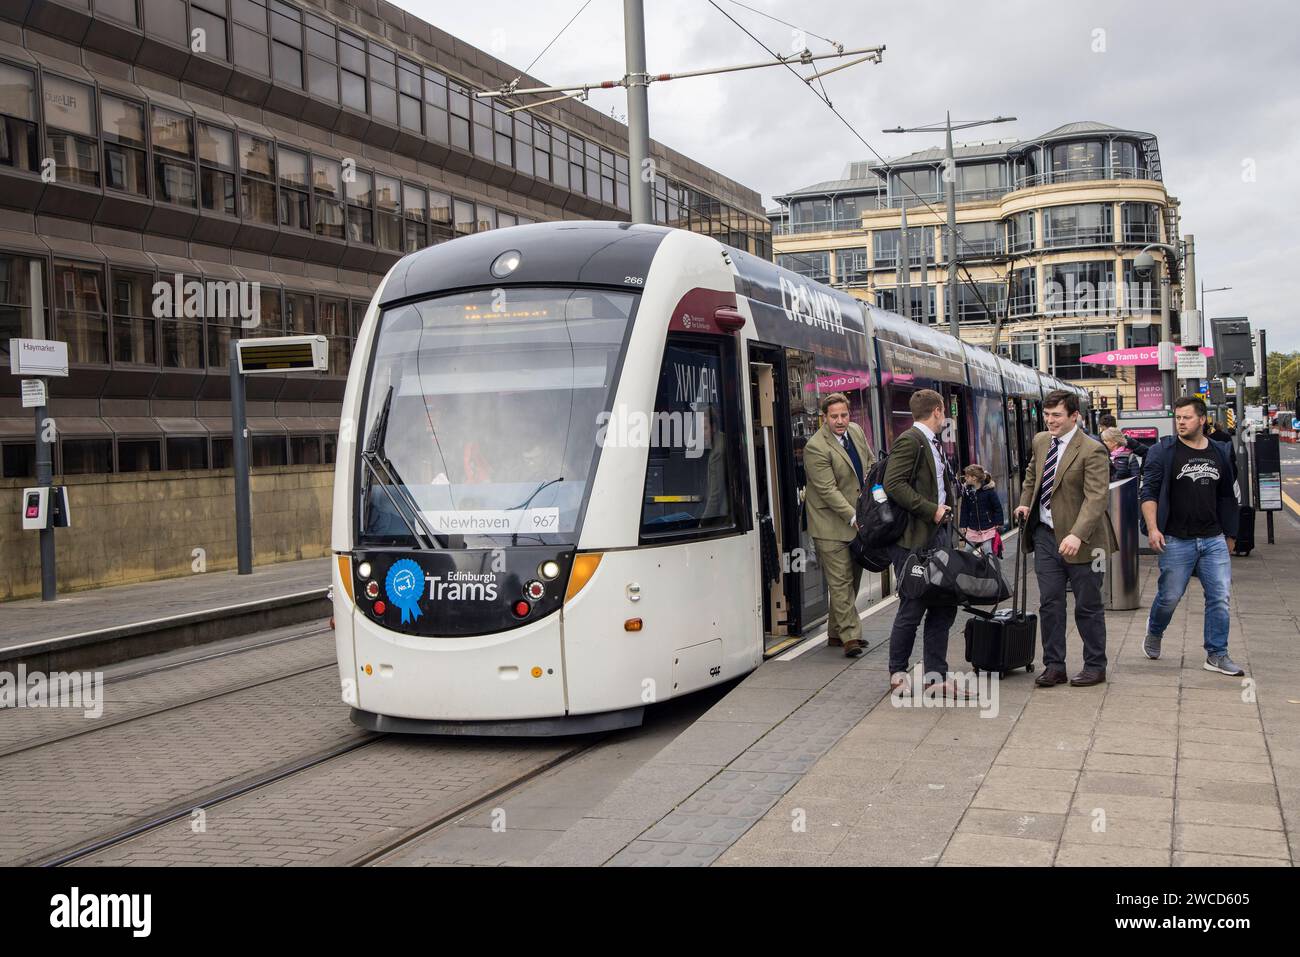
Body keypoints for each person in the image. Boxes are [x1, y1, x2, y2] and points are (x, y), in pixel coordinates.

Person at [1014, 389, 1115, 687]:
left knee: (1088, 605)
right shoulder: (1041, 441)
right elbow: (1032, 474)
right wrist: (1025, 501)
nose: (1050, 421)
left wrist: (1076, 535)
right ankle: (1054, 665)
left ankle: (1095, 666)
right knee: (1050, 602)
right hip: (1045, 536)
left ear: (1075, 416)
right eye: (1047, 415)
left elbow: (1096, 499)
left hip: (1084, 543)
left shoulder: (1093, 449)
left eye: (1056, 415)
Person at [1140, 397, 1245, 676]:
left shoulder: (1219, 452)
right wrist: (1153, 528)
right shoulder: (1163, 452)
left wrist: (1231, 534)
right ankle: (1155, 630)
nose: (1181, 422)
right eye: (1178, 417)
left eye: (1187, 417)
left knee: (1219, 597)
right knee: (1170, 597)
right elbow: (1148, 492)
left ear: (1202, 420)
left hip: (1213, 538)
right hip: (1176, 539)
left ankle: (1217, 654)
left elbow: (1227, 496)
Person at [883, 389, 966, 698]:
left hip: (938, 537)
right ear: (937, 411)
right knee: (913, 605)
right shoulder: (910, 441)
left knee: (944, 605)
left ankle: (937, 676)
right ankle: (897, 672)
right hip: (914, 541)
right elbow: (893, 484)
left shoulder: (932, 442)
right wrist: (931, 510)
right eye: (944, 412)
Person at [803, 392, 874, 658]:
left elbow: (869, 463)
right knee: (841, 581)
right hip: (829, 524)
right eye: (834, 416)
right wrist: (854, 516)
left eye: (844, 415)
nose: (840, 421)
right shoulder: (815, 447)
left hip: (858, 519)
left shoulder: (855, 431)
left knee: (853, 578)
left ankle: (835, 632)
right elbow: (827, 490)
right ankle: (851, 637)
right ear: (825, 417)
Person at [958, 464, 1003, 555]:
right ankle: (971, 568)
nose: (965, 478)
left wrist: (998, 523)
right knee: (967, 550)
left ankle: (989, 567)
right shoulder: (967, 492)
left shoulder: (989, 491)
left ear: (974, 478)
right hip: (973, 527)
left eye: (967, 476)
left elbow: (997, 507)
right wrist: (963, 524)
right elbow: (964, 509)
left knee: (987, 550)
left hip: (988, 526)